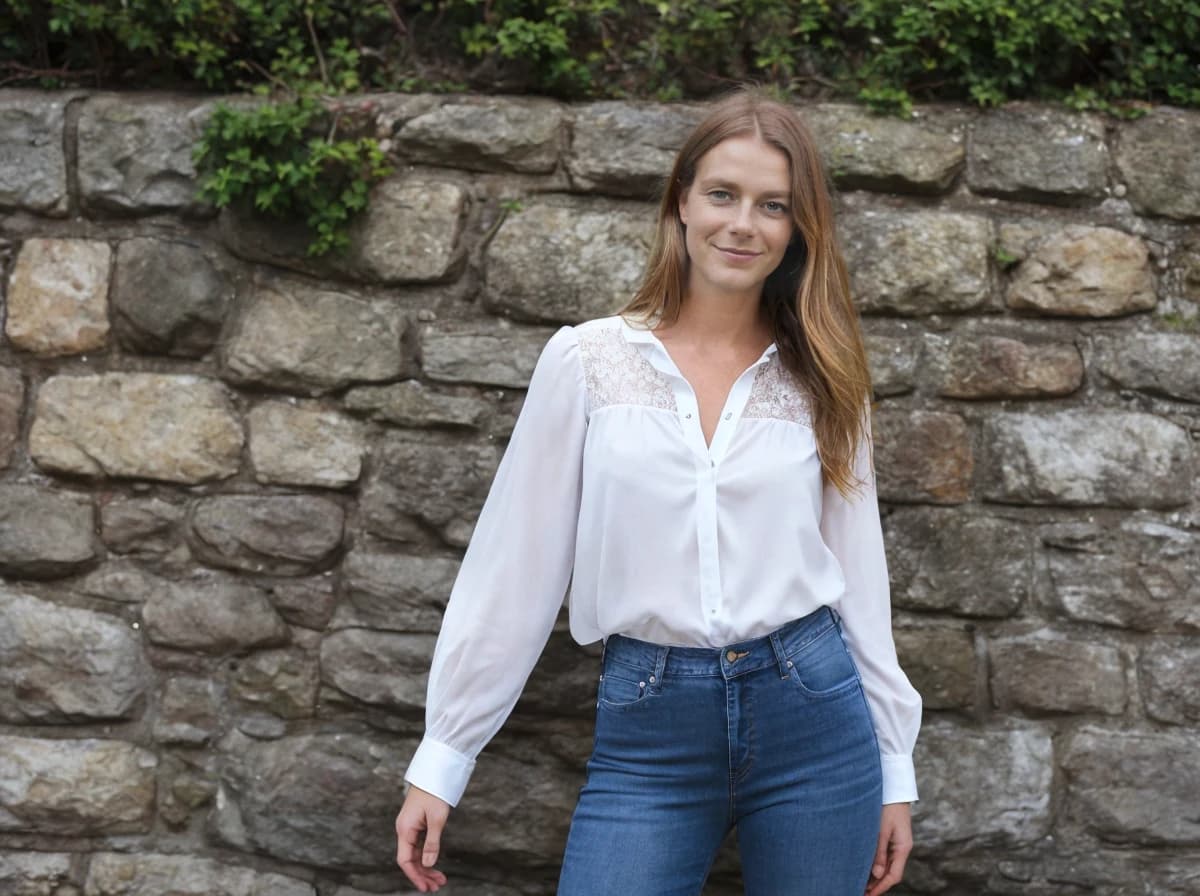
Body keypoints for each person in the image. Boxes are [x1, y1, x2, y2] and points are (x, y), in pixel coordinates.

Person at [395, 87, 922, 896]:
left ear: (797, 228)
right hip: (651, 724)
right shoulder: (588, 362)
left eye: (773, 205)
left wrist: (894, 765)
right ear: (681, 201)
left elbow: (860, 574)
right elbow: (515, 567)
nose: (742, 224)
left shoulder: (823, 375)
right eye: (723, 194)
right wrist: (444, 755)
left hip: (815, 714)